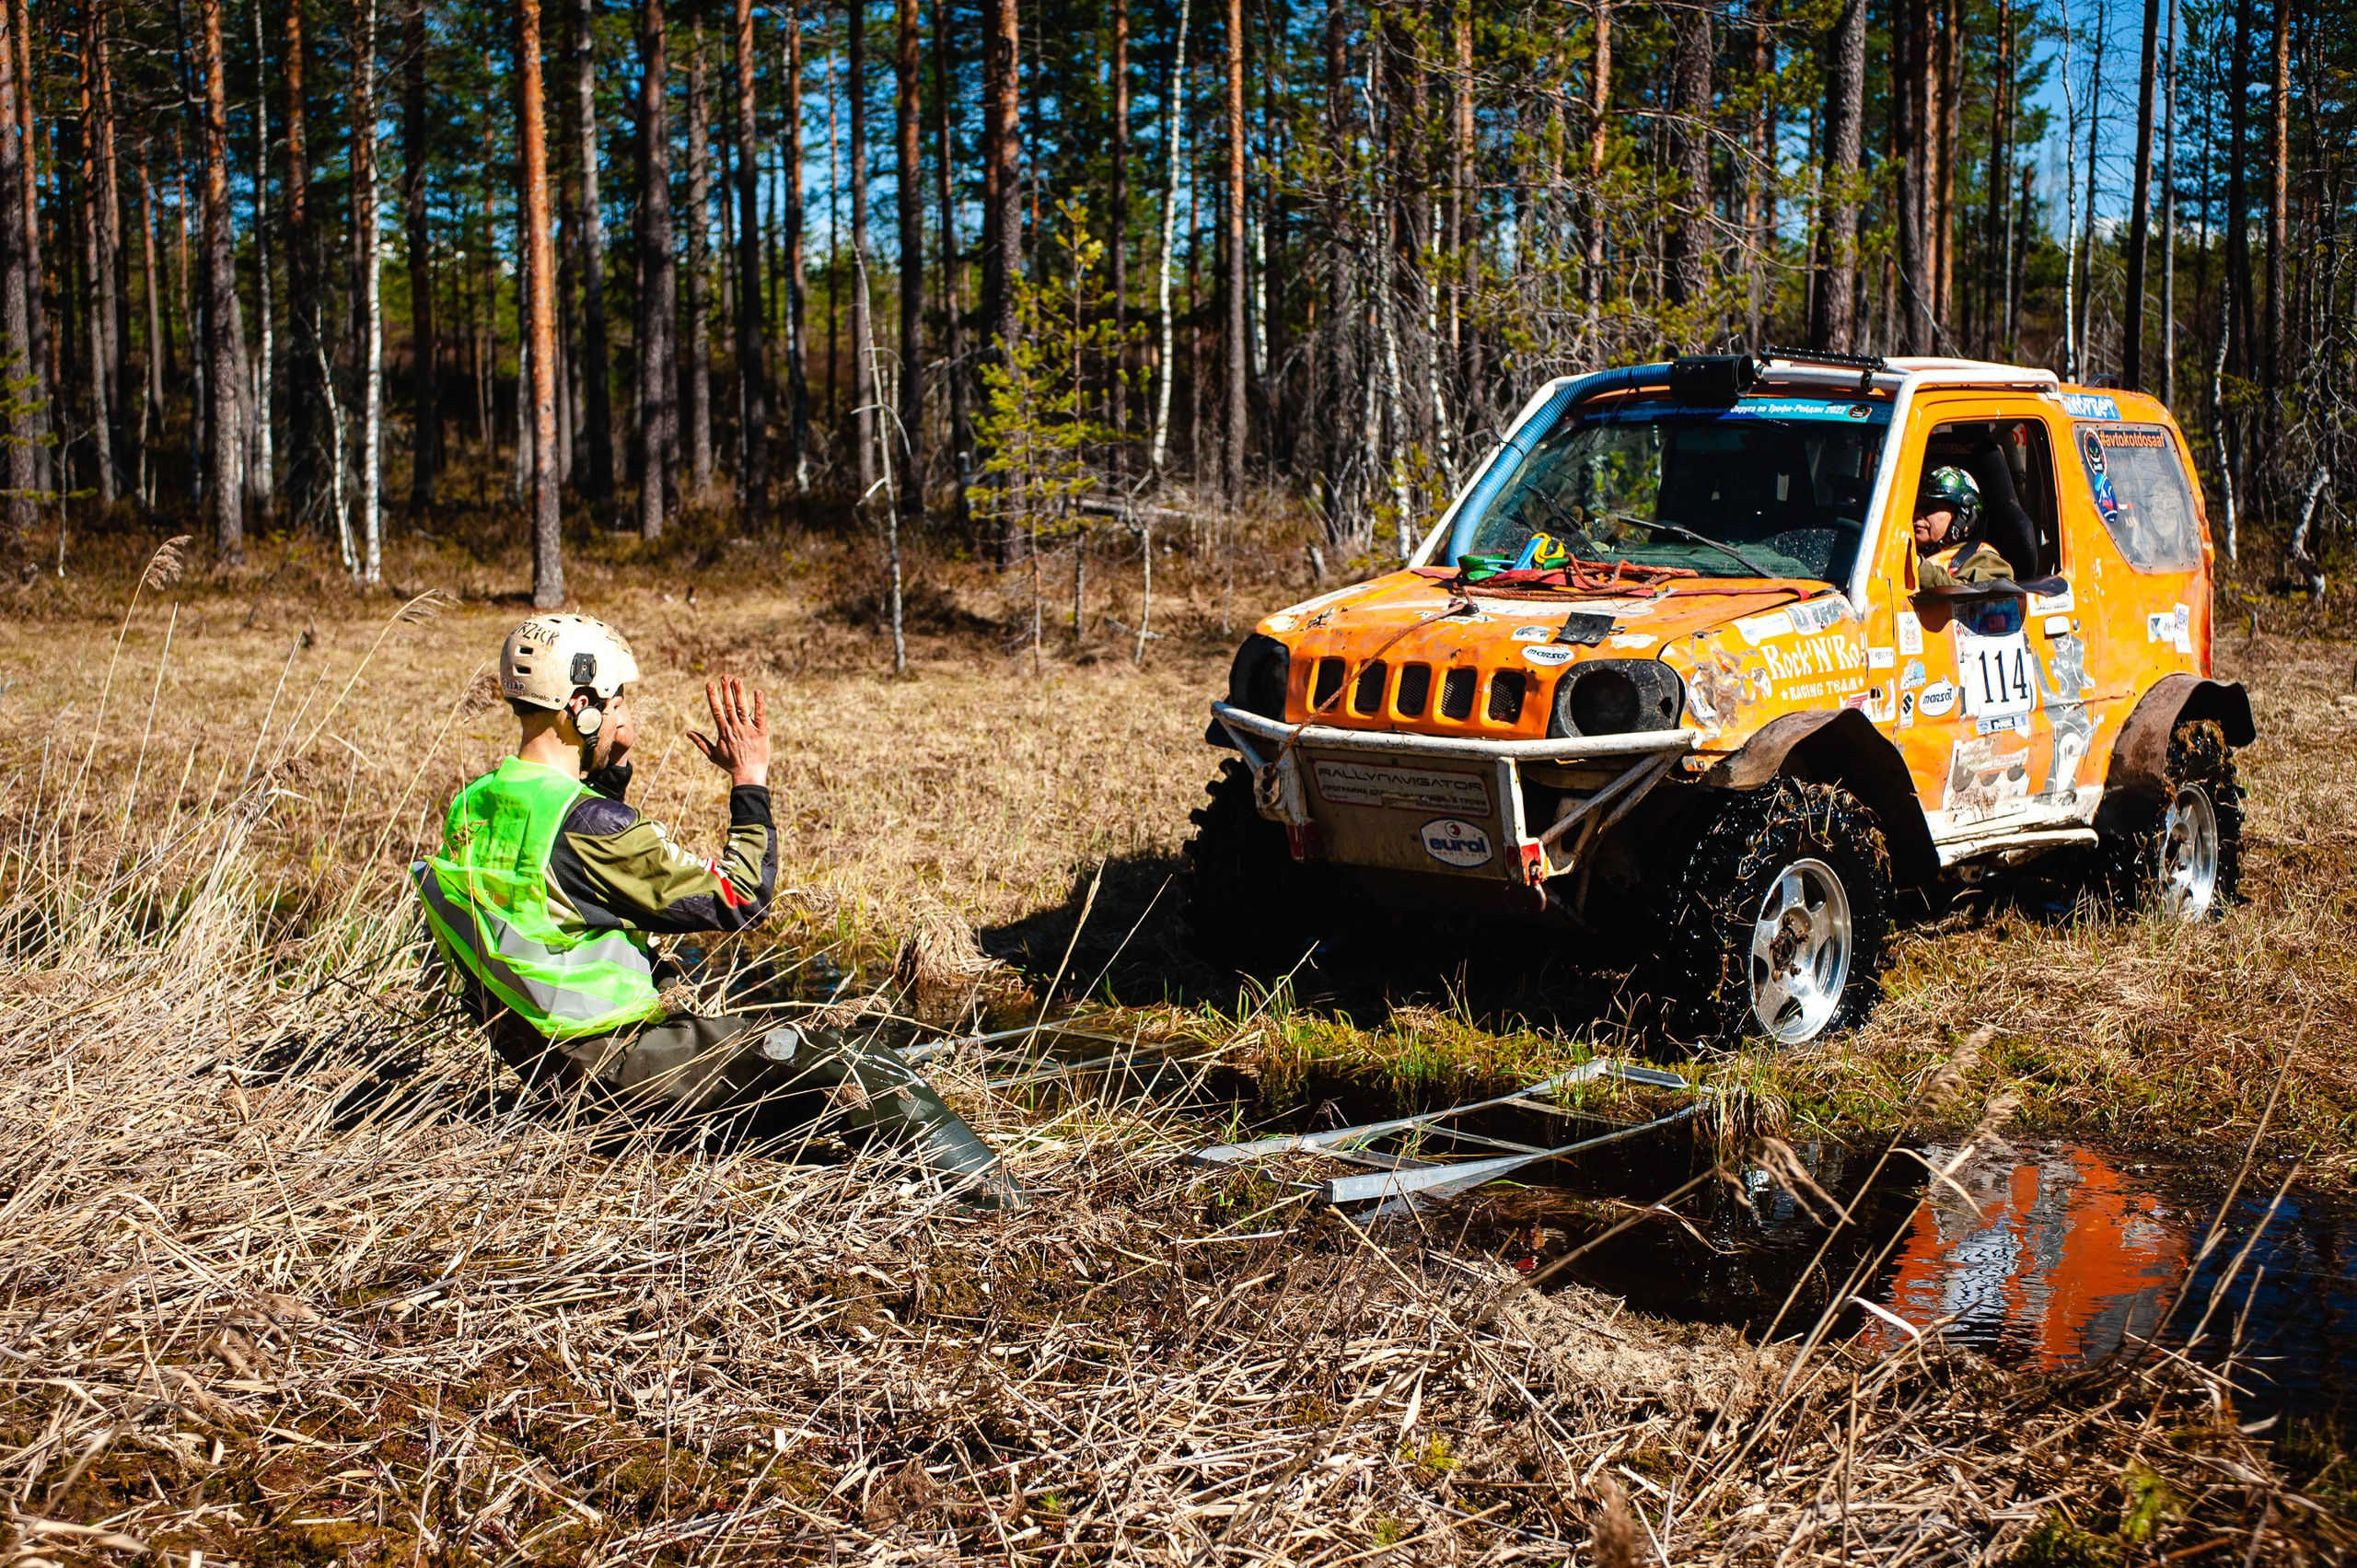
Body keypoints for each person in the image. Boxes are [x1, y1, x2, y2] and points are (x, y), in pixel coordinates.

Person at [412, 614, 1013, 1203]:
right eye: (616, 699)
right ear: (580, 707)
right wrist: (750, 779)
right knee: (856, 1059)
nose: (625, 713)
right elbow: (740, 898)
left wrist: (612, 766)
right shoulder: (590, 827)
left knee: (720, 1014)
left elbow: (570, 886)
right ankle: (1004, 1204)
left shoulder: (477, 804)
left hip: (547, 1069)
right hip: (615, 1071)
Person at [1912, 464, 2013, 588]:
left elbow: (1976, 598)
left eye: (1930, 508)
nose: (1916, 514)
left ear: (1963, 515)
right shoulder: (1895, 551)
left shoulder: (1986, 560)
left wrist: (1918, 568)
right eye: (1915, 507)